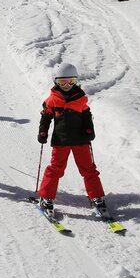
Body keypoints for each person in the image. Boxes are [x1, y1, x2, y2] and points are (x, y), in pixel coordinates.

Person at [36, 63, 107, 216]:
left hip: (81, 140)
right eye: (63, 82)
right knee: (55, 169)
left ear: (76, 81)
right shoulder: (52, 100)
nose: (67, 85)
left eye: (71, 82)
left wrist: (89, 130)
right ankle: (46, 197)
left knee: (89, 169)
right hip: (61, 141)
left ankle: (96, 197)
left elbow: (87, 117)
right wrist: (43, 131)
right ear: (56, 82)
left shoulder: (81, 99)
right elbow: (46, 117)